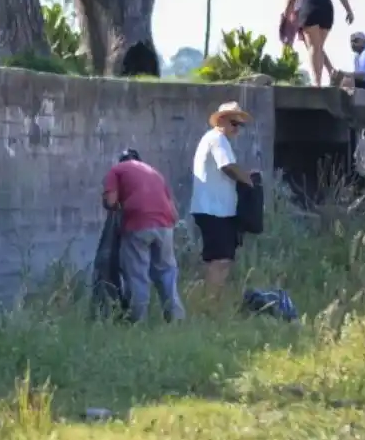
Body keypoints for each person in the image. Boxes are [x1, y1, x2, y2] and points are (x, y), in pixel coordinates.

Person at [102, 148, 185, 324]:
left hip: (137, 224)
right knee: (166, 272)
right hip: (164, 225)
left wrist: (115, 204)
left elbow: (111, 201)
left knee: (137, 275)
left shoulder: (116, 170)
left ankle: (138, 322)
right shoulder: (155, 173)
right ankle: (176, 319)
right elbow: (174, 213)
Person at [190, 102, 253, 292]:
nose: (237, 129)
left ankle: (210, 298)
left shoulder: (214, 139)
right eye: (234, 123)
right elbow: (227, 166)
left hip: (214, 209)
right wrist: (248, 181)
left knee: (217, 259)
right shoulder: (218, 138)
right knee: (221, 260)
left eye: (240, 125)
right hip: (214, 210)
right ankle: (212, 300)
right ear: (222, 120)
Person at [284, 0, 355, 87]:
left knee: (313, 47)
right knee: (319, 47)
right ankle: (320, 79)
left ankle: (317, 81)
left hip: (309, 7)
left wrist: (287, 15)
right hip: (326, 8)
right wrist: (349, 10)